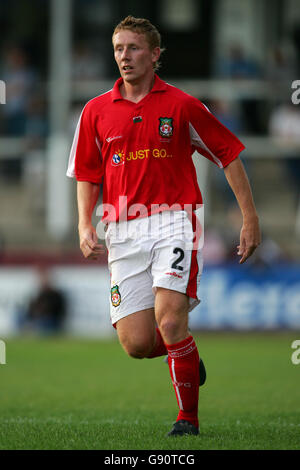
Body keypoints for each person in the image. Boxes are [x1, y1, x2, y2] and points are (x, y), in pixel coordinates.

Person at [67, 16, 261, 437]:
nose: (124, 56)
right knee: (137, 343)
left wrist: (249, 218)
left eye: (133, 48)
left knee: (170, 322)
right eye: (118, 48)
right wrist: (85, 223)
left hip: (175, 221)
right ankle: (185, 356)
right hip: (121, 230)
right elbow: (86, 173)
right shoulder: (95, 111)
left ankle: (187, 421)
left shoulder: (183, 105)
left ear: (155, 54)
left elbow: (228, 154)